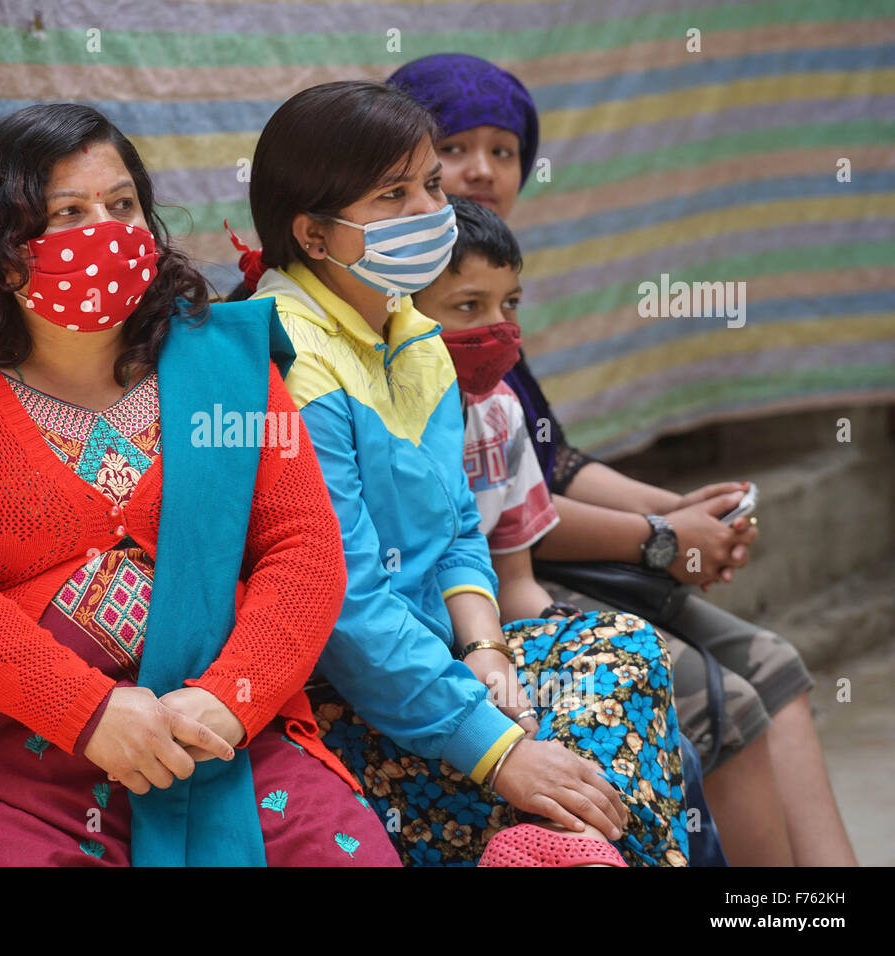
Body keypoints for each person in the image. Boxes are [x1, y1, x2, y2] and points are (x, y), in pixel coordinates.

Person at [0, 103, 400, 867]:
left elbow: (304, 549)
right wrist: (88, 712)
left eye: (121, 206)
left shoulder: (225, 369)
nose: (104, 232)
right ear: (1, 248)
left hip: (222, 742)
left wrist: (229, 698)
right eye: (68, 214)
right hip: (25, 759)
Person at [388, 51, 857, 866]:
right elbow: (494, 521)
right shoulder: (408, 322)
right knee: (722, 701)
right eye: (451, 151)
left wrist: (677, 511)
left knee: (772, 664)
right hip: (493, 598)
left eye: (503, 151)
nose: (480, 170)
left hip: (527, 573)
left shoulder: (487, 311)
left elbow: (546, 462)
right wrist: (658, 539)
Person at [237, 80, 689, 866]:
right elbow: (347, 609)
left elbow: (455, 530)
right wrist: (499, 750)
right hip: (342, 697)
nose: (428, 214)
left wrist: (485, 650)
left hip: (440, 660)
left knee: (620, 647)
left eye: (430, 187)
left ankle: (559, 849)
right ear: (313, 235)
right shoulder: (292, 363)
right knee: (579, 762)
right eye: (393, 195)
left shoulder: (409, 330)